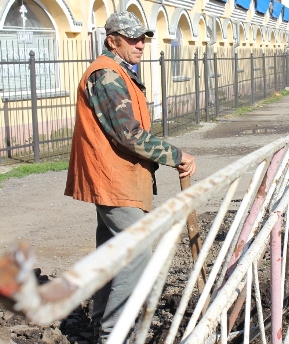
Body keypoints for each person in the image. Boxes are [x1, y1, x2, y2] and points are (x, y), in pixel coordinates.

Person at [64, 11, 196, 342]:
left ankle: (103, 327)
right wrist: (175, 156)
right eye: (133, 38)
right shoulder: (107, 75)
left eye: (143, 38)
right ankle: (113, 333)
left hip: (119, 178)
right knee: (137, 254)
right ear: (113, 40)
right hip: (113, 179)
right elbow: (128, 134)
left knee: (113, 253)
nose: (141, 44)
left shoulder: (120, 72)